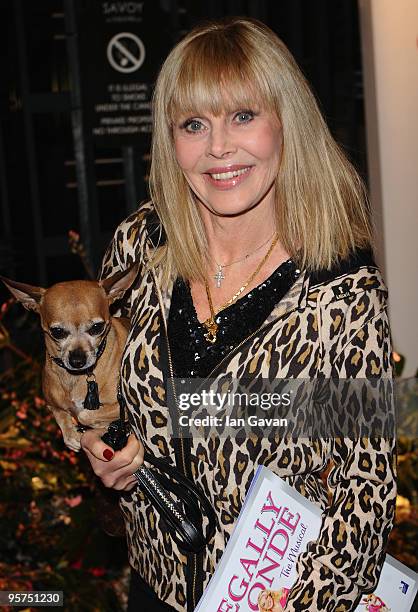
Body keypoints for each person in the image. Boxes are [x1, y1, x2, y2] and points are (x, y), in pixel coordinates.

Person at [81, 17, 396, 612]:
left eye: (243, 116)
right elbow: (97, 389)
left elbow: (364, 498)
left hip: (279, 599)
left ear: (286, 124)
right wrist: (105, 447)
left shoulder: (340, 291)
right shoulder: (140, 247)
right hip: (154, 587)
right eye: (194, 124)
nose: (218, 147)